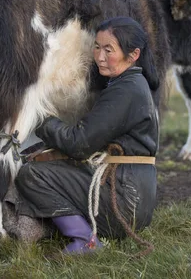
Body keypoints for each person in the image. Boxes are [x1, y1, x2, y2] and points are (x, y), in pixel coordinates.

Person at [12, 16, 159, 255]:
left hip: (124, 201)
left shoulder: (127, 90)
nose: (100, 56)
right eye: (97, 47)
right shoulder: (128, 84)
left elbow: (78, 144)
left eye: (109, 49)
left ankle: (85, 241)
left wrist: (38, 116)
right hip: (133, 198)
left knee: (33, 175)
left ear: (133, 55)